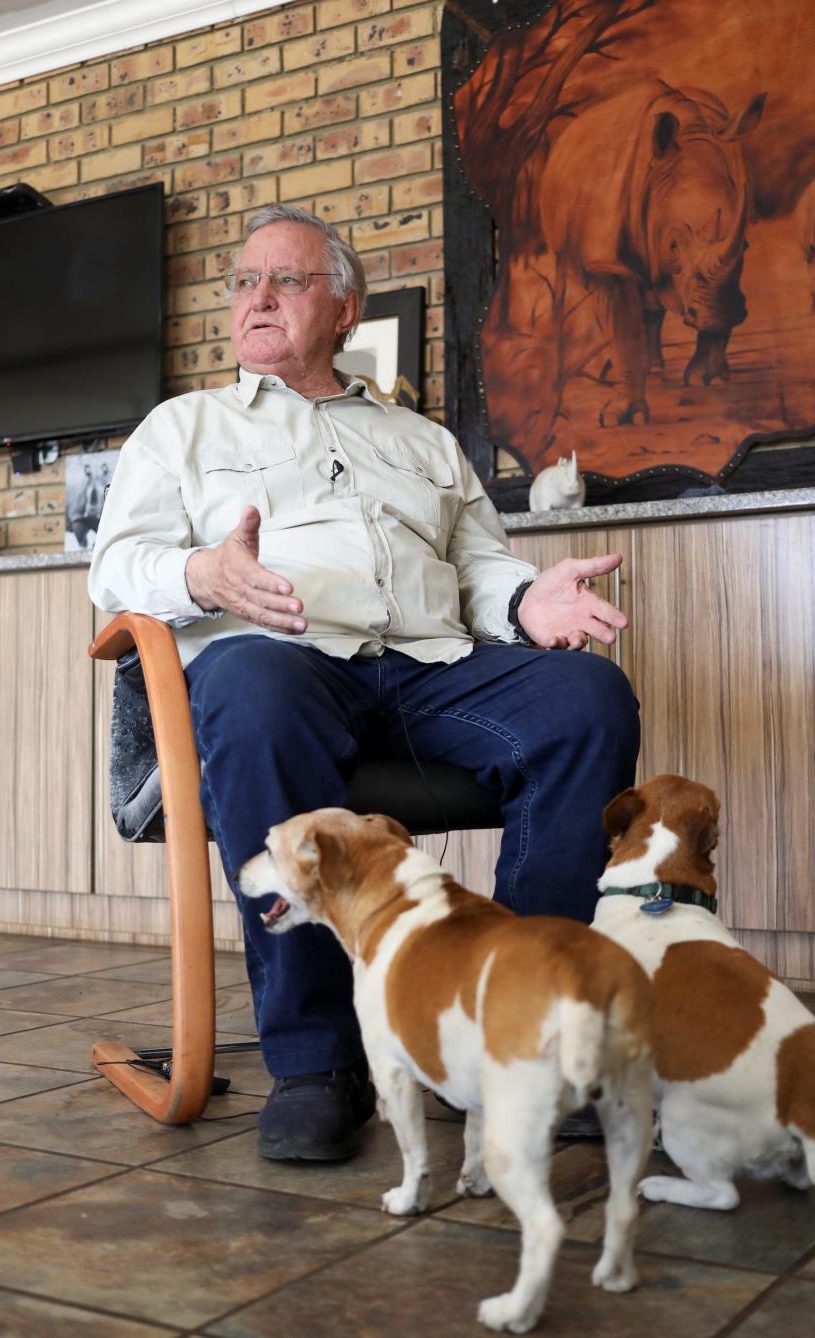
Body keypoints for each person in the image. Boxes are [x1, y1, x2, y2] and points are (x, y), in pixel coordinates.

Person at [89, 204, 640, 1162]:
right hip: (286, 663)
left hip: (431, 670)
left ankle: (511, 1034)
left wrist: (525, 605)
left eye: (286, 281)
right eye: (243, 283)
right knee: (251, 686)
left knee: (588, 702)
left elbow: (479, 570)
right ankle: (318, 1062)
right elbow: (116, 566)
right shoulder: (182, 427)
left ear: (344, 308)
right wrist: (202, 576)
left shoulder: (425, 443)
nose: (256, 299)